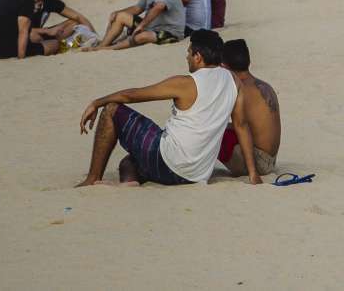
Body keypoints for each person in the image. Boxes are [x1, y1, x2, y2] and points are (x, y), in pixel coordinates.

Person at [76, 30, 255, 187]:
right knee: (129, 162)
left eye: (189, 52)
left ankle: (92, 179)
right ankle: (130, 183)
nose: (187, 57)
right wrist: (253, 174)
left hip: (168, 163)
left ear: (198, 56)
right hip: (196, 176)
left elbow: (131, 95)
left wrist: (96, 103)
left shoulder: (185, 83)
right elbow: (242, 126)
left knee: (111, 109)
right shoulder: (233, 80)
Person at [216, 38, 282, 181]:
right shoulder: (264, 86)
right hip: (271, 159)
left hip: (258, 163)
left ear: (224, 66)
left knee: (209, 132)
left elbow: (240, 126)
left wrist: (253, 172)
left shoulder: (240, 90)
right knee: (223, 129)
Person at [24, 0, 94, 52]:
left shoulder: (49, 0)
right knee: (34, 36)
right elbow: (17, 28)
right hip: (25, 34)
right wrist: (47, 31)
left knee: (75, 22)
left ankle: (66, 45)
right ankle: (63, 45)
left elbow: (77, 16)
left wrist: (94, 35)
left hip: (43, 34)